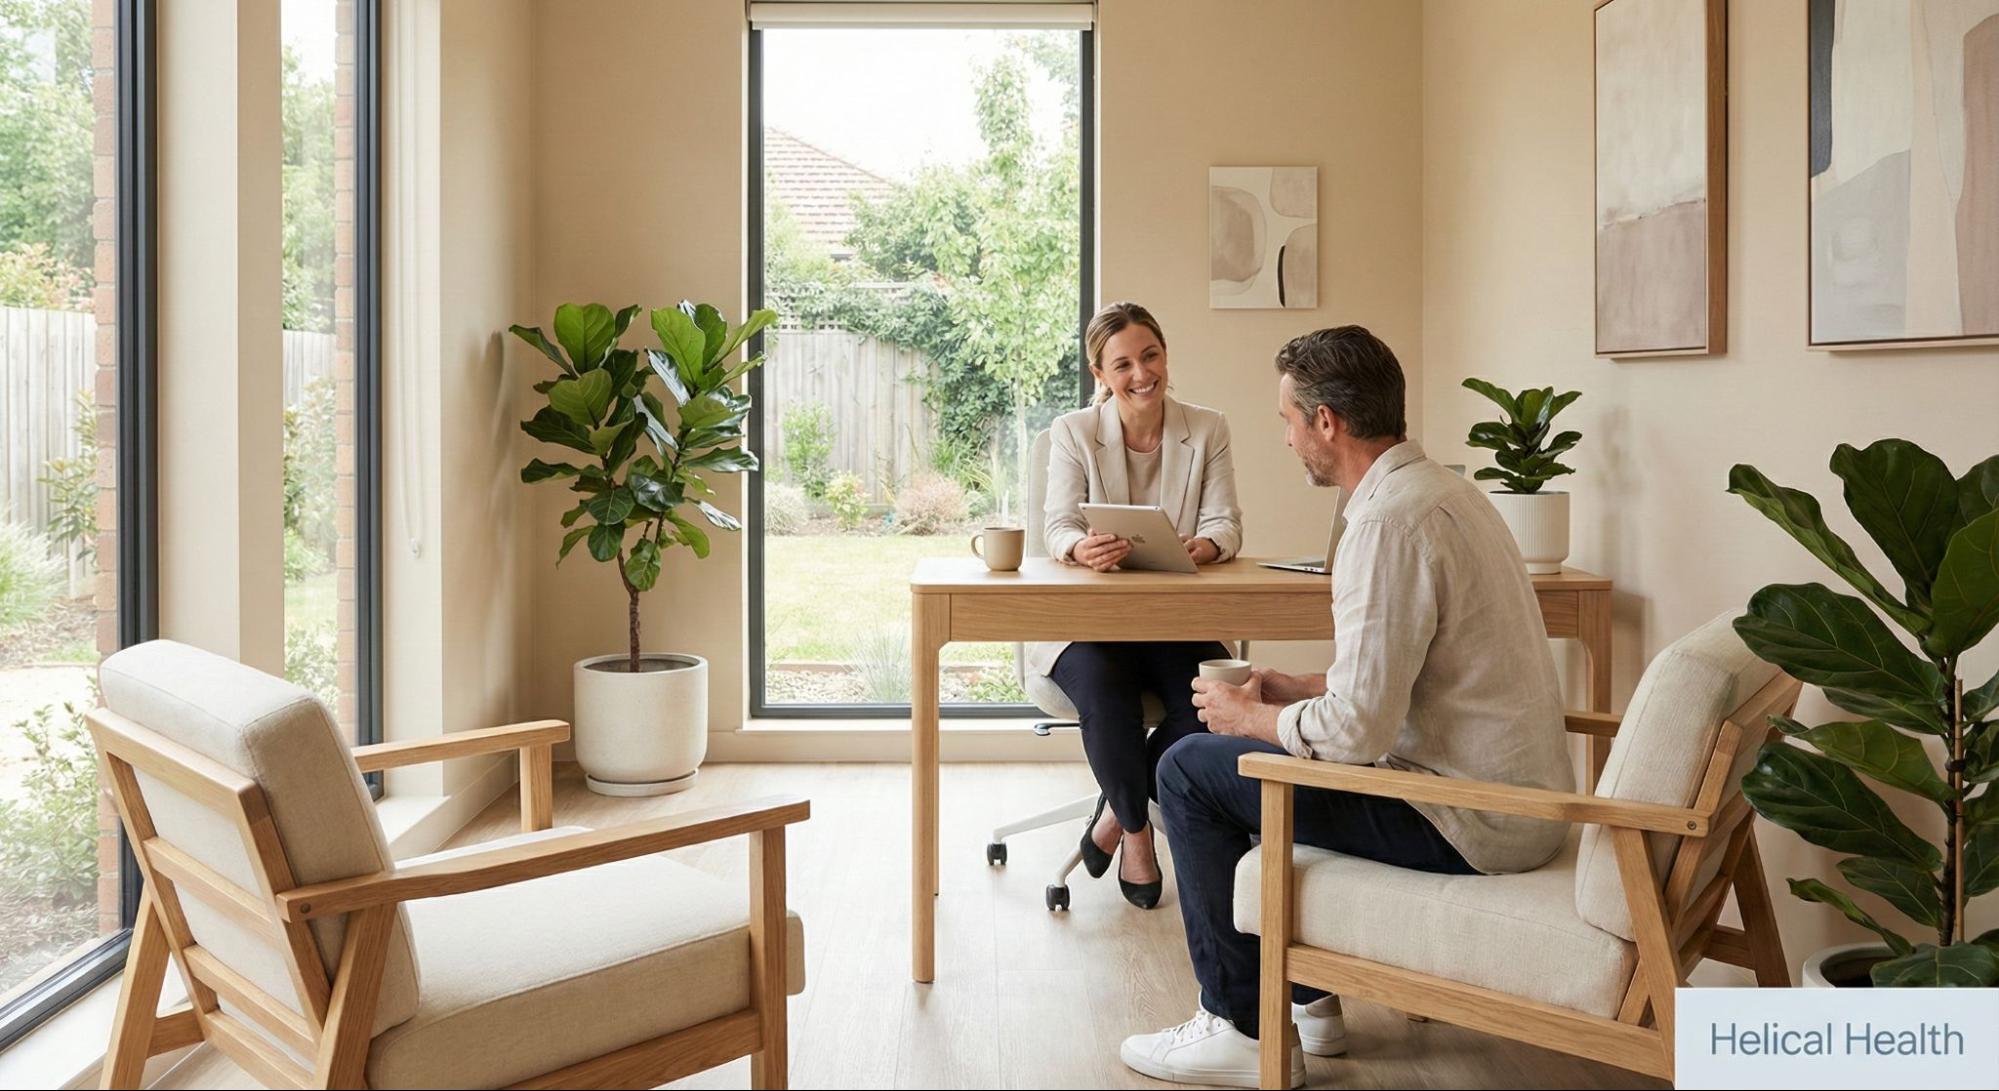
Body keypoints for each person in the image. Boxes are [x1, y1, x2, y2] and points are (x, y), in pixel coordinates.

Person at [1117, 326, 1573, 1088]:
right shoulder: (1447, 491)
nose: (1287, 438)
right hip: (1510, 797)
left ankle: (1239, 1025)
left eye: (1288, 420)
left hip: (1463, 816)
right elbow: (1400, 679)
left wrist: (1250, 720)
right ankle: (1307, 998)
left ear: (1326, 421)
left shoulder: (1385, 523)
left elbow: (1357, 733)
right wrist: (1290, 687)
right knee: (1239, 758)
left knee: (1189, 767)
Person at [1031, 301, 1243, 909]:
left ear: (1165, 354)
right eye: (1122, 364)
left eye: (1150, 355)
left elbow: (1226, 521)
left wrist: (1208, 543)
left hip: (1173, 618)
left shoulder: (1207, 429)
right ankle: (1137, 831)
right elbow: (1057, 527)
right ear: (1100, 373)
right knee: (1106, 694)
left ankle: (1115, 811)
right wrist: (1080, 546)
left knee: (1212, 702)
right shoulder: (1073, 432)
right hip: (1091, 625)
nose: (1141, 373)